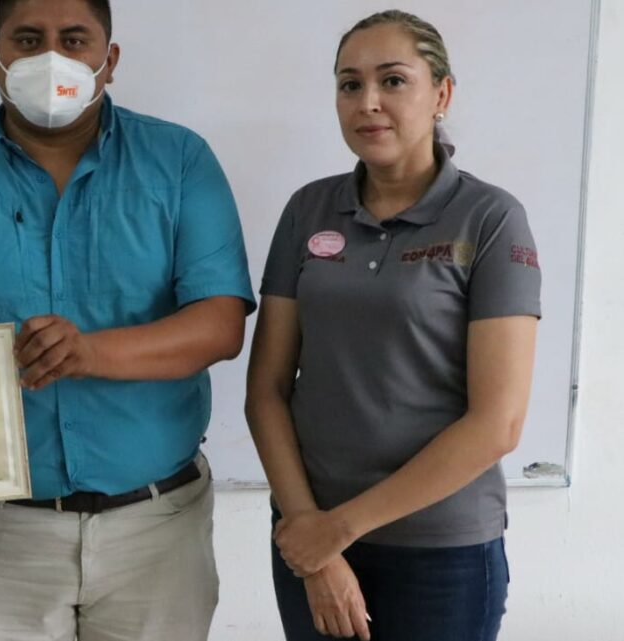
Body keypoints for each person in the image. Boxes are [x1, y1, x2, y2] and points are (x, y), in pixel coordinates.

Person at [0, 1, 255, 639]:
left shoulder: (179, 162)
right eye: (28, 39)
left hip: (158, 527)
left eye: (74, 40)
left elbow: (219, 325)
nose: (51, 59)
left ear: (109, 60)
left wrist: (90, 353)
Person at [245, 10, 540, 641]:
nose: (368, 102)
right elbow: (267, 388)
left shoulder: (490, 219)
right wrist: (311, 533)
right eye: (349, 84)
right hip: (310, 539)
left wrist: (339, 528)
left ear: (442, 93)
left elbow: (499, 423)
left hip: (441, 553)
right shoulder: (308, 210)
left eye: (393, 80)